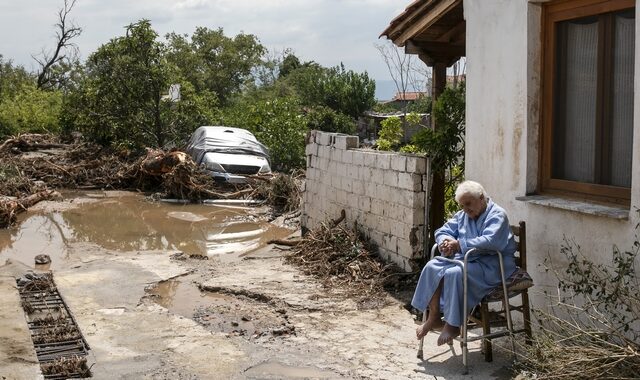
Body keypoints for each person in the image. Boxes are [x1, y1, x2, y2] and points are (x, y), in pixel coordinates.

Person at [411, 180, 517, 346]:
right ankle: (434, 317)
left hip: (492, 265)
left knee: (455, 273)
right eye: (462, 206)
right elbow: (443, 231)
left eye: (468, 204)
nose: (466, 209)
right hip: (466, 260)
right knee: (432, 267)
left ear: (481, 198)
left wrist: (459, 244)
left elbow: (491, 241)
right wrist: (444, 242)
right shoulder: (463, 215)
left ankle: (453, 324)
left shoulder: (497, 215)